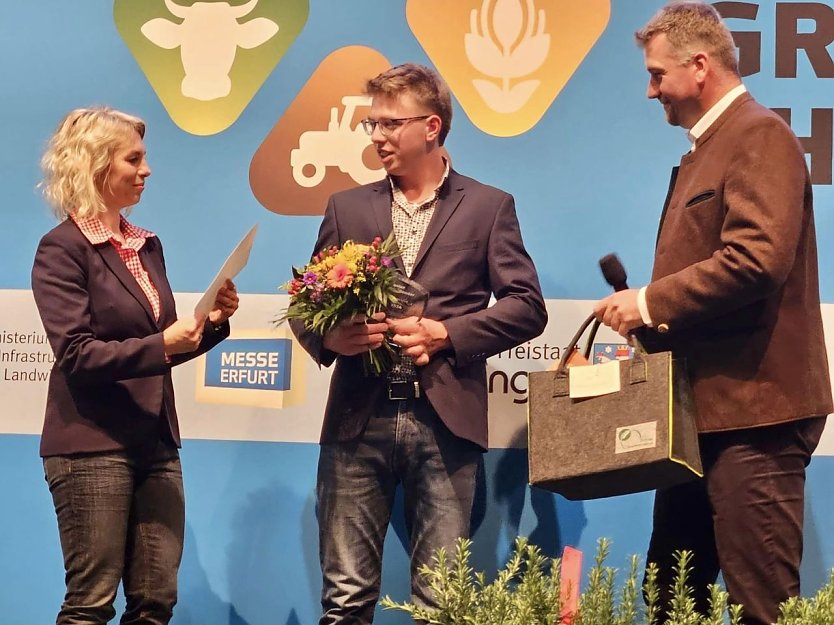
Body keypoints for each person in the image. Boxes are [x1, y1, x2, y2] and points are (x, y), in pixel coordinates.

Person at [593, 3, 832, 624]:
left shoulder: (758, 135)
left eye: (656, 75)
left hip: (755, 415)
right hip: (700, 417)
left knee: (762, 607)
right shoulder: (712, 147)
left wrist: (648, 301)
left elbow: (757, 260)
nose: (651, 92)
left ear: (699, 67)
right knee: (673, 598)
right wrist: (649, 319)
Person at [291, 63, 547, 624]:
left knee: (441, 604)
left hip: (446, 423)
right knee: (345, 599)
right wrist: (334, 335)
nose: (377, 136)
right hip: (358, 418)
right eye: (372, 124)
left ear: (431, 127)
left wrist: (448, 335)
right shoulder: (347, 207)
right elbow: (303, 308)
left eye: (389, 124)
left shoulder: (487, 205)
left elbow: (528, 307)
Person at [31, 107, 239, 625]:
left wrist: (210, 324)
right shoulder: (61, 250)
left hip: (156, 443)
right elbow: (77, 355)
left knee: (154, 602)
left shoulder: (146, 245)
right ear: (96, 165)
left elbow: (159, 348)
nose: (147, 170)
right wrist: (162, 343)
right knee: (91, 603)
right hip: (91, 445)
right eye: (134, 158)